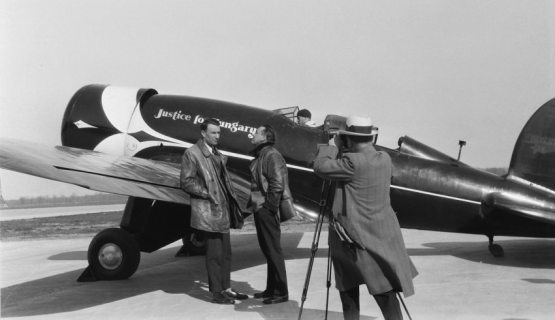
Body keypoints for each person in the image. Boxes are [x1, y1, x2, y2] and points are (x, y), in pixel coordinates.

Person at [313, 115, 417, 320]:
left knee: (348, 286)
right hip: (381, 234)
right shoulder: (384, 158)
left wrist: (331, 146)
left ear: (348, 139)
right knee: (385, 290)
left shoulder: (351, 162)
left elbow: (320, 167)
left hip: (353, 238)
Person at [180, 118, 248, 304]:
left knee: (225, 253)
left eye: (219, 133)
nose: (217, 136)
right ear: (203, 133)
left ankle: (226, 288)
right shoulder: (192, 154)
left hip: (222, 209)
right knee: (215, 254)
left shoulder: (216, 153)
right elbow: (186, 181)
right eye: (213, 133)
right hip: (209, 210)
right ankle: (217, 292)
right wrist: (207, 193)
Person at [248, 124, 291, 304]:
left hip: (266, 208)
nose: (253, 134)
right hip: (261, 207)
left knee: (273, 250)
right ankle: (271, 289)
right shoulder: (263, 154)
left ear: (265, 137)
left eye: (257, 132)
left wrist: (270, 208)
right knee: (268, 250)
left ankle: (281, 292)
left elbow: (277, 184)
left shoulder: (272, 155)